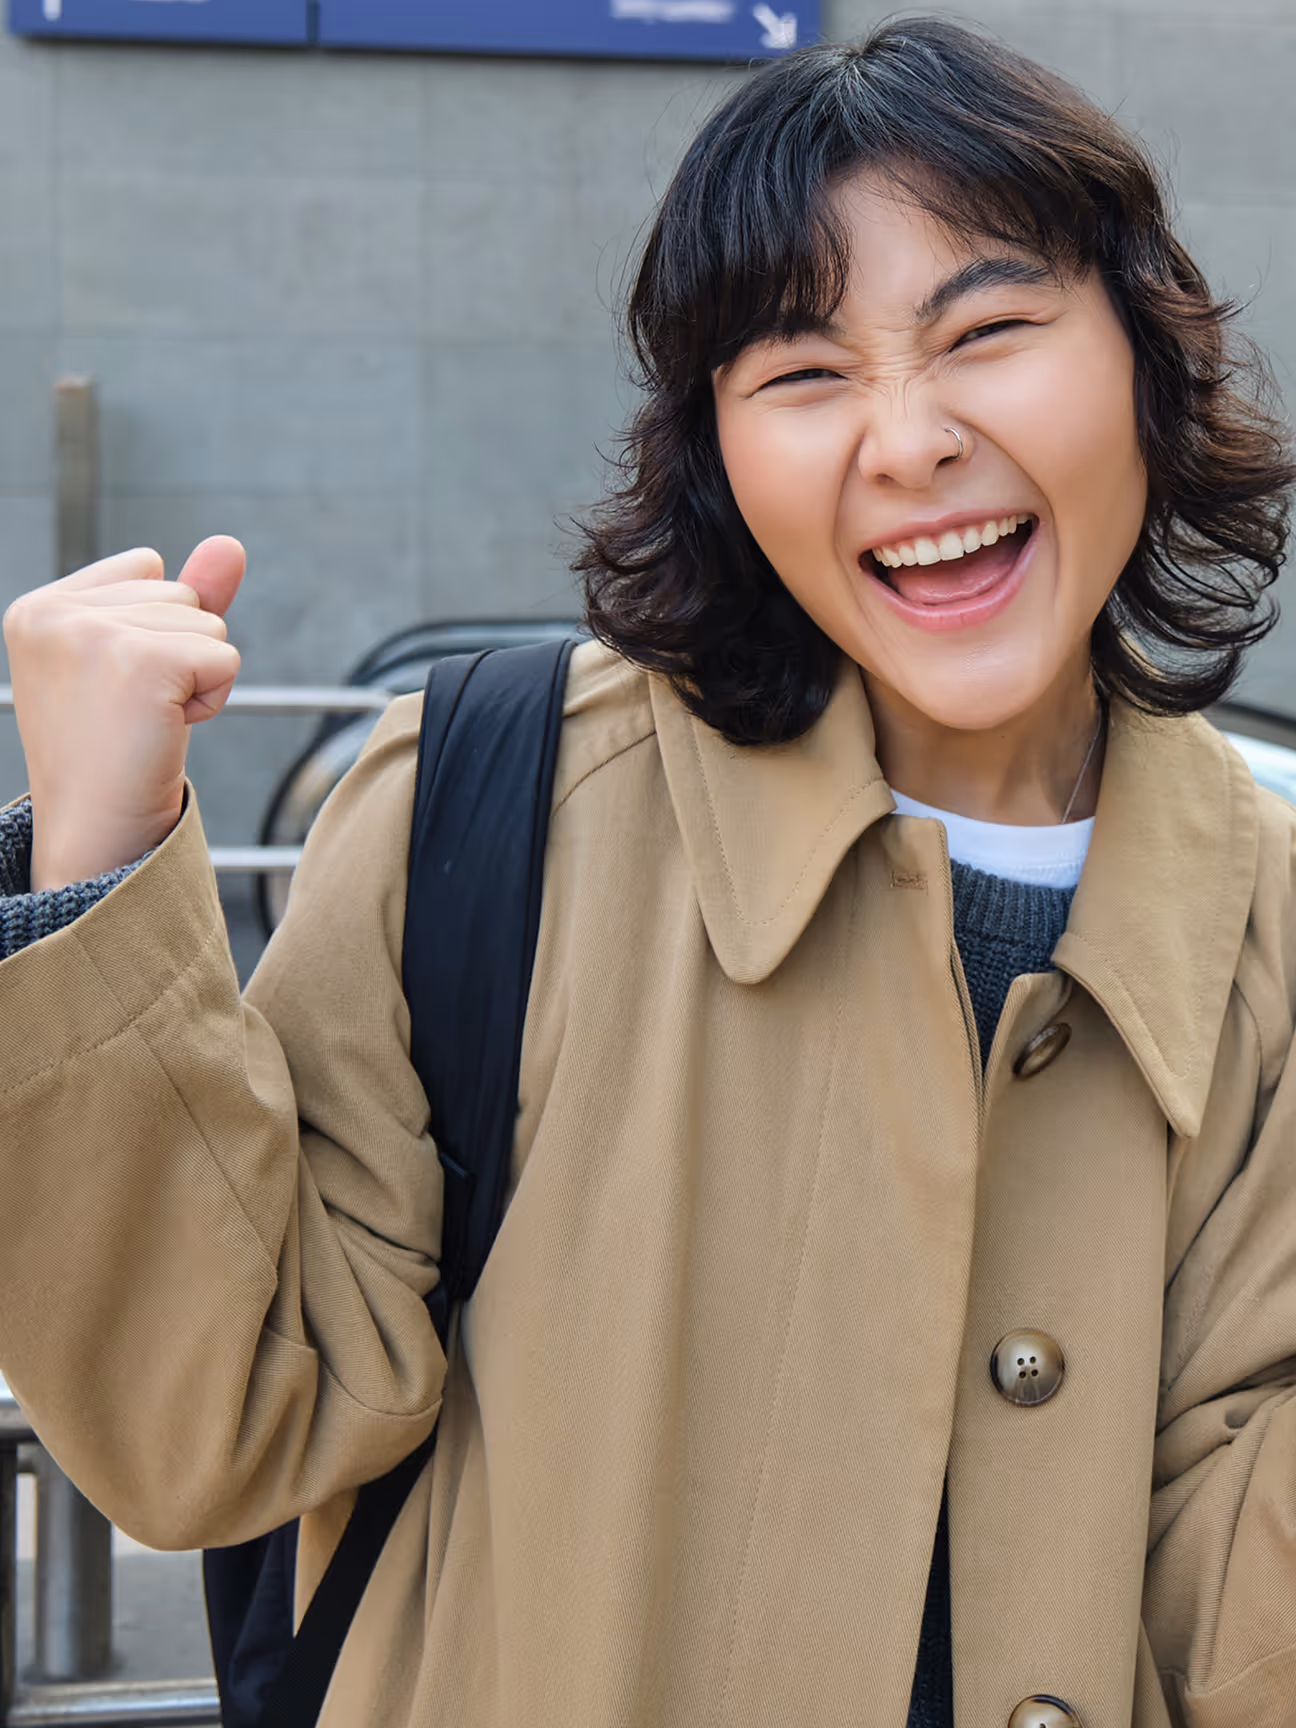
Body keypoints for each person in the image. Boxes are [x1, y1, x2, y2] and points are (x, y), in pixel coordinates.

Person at [1, 16, 1294, 1726]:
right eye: (803, 376)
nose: (906, 443)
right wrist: (89, 859)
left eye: (988, 331)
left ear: (1145, 356)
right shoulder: (489, 802)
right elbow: (213, 1426)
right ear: (717, 453)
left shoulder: (1267, 919)